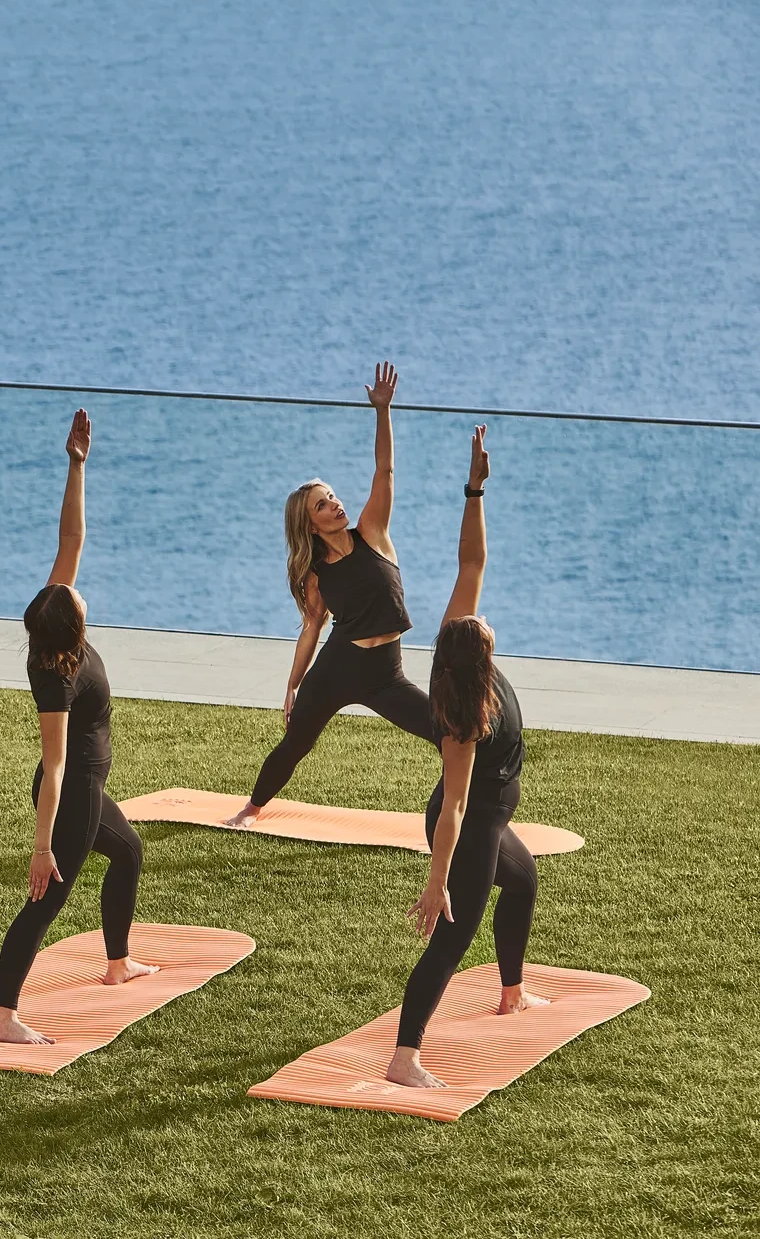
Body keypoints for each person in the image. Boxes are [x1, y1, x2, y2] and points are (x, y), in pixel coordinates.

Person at [0, 410, 159, 1046]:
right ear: (72, 628)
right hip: (71, 791)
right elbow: (55, 766)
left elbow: (71, 540)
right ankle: (4, 1017)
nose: (79, 590)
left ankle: (116, 964)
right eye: (78, 600)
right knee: (46, 899)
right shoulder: (56, 678)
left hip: (79, 785)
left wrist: (77, 464)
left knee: (130, 853)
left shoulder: (54, 626)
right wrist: (41, 847)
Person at [387, 426, 548, 1087]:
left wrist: (474, 487)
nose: (481, 618)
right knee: (452, 935)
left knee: (527, 880)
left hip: (489, 821)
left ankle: (511, 991)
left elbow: (470, 564)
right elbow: (453, 806)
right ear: (479, 656)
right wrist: (435, 881)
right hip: (467, 829)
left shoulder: (460, 648)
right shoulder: (463, 718)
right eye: (480, 627)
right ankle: (405, 1057)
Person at [226, 362, 435, 828]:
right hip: (339, 669)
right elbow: (312, 626)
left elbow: (385, 468)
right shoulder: (316, 573)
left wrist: (382, 411)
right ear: (309, 524)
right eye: (322, 504)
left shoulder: (373, 533)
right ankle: (251, 808)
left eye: (333, 496)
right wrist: (294, 682)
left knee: (444, 732)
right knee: (296, 743)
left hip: (386, 673)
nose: (335, 504)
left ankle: (462, 812)